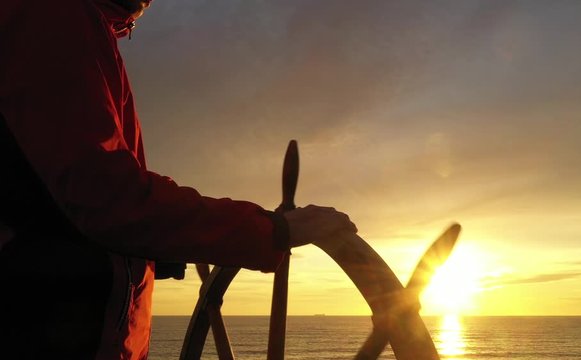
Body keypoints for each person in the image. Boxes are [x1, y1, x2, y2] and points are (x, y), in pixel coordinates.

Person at [0, 0, 357, 358]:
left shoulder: (75, 23)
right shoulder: (51, 14)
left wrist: (147, 255)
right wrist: (274, 230)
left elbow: (49, 197)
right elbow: (106, 196)